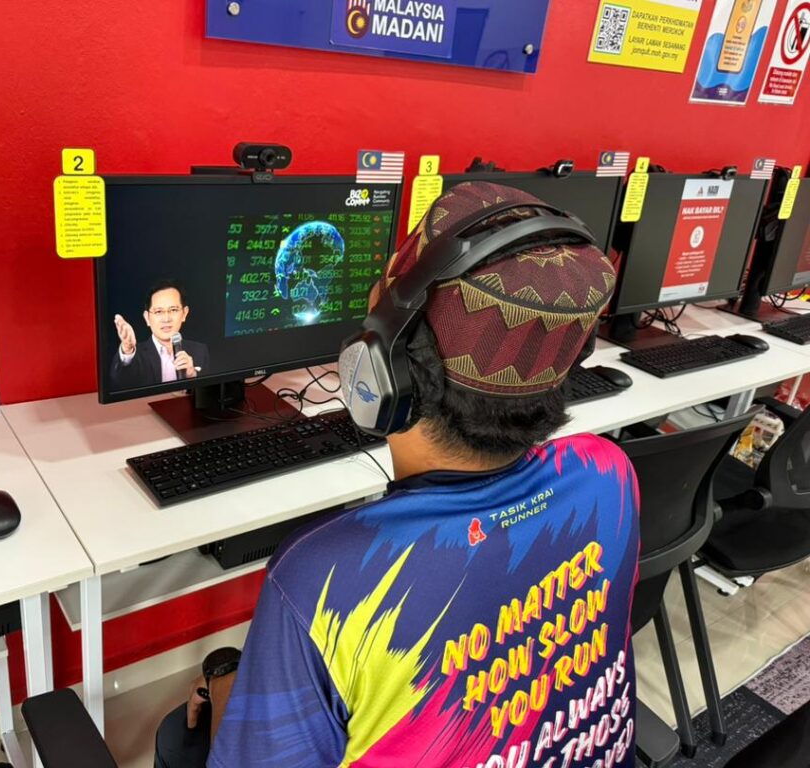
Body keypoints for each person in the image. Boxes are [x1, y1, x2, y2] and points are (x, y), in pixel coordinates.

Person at [154, 182, 640, 768]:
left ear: (383, 362)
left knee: (196, 714)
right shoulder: (607, 473)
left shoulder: (324, 578)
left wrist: (228, 684)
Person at [110, 280, 210, 389]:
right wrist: (127, 348)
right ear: (147, 318)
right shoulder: (135, 355)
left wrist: (193, 375)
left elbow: (208, 390)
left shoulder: (200, 351)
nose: (166, 319)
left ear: (184, 313)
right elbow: (119, 381)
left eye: (173, 310)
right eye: (158, 312)